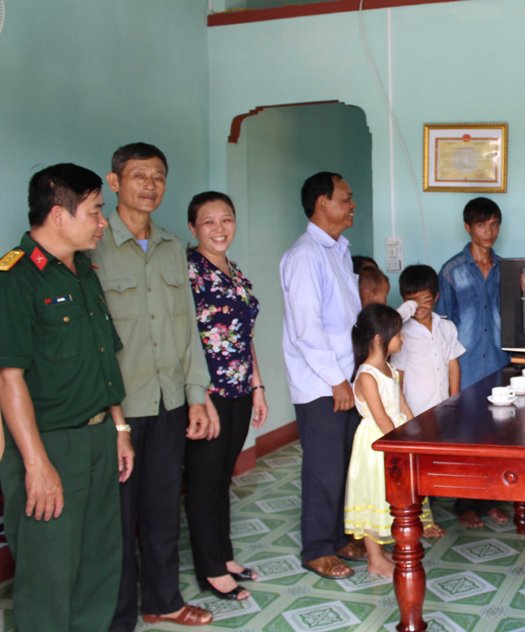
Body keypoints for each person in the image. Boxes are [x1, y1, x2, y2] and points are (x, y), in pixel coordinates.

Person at [0, 163, 133, 631]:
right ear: (59, 215)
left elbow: (104, 357)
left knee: (98, 562)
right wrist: (36, 464)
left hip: (98, 437)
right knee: (49, 573)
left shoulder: (82, 273)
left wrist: (119, 428)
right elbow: (8, 378)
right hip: (49, 444)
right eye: (95, 211)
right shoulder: (15, 277)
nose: (103, 222)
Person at [93, 143, 215, 629]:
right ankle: (118, 615)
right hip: (117, 407)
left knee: (163, 510)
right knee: (117, 518)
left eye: (158, 176)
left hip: (168, 401)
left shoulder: (170, 247)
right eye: (139, 175)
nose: (150, 185)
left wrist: (196, 396)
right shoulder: (93, 245)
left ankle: (163, 600)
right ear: (114, 182)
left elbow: (187, 328)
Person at [280, 171, 366, 579]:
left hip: (345, 378)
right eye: (345, 198)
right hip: (322, 383)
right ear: (322, 203)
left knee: (344, 463)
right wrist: (336, 380)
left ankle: (338, 538)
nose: (352, 205)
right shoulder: (304, 256)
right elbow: (307, 329)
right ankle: (317, 549)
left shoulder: (338, 250)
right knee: (323, 468)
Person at [183, 191, 268, 601]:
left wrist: (257, 386)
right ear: (193, 228)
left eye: (226, 219)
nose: (219, 229)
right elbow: (184, 337)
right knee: (203, 481)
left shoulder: (233, 271)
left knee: (221, 478)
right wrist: (199, 397)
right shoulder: (189, 271)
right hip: (207, 394)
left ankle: (224, 556)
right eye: (209, 222)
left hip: (239, 390)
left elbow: (244, 335)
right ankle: (211, 570)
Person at [344, 304, 443, 576]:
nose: (403, 338)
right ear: (379, 339)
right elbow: (381, 418)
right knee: (375, 494)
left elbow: (402, 406)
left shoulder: (389, 368)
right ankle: (374, 559)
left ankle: (380, 552)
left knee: (392, 495)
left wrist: (416, 433)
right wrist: (398, 446)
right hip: (378, 443)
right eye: (398, 333)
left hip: (395, 436)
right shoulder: (367, 375)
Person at [437, 197, 511, 390]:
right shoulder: (451, 271)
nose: (489, 231)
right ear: (467, 227)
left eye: (494, 224)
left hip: (499, 363)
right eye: (481, 225)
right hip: (463, 367)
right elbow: (441, 325)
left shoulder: (506, 269)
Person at [391, 264, 465, 417]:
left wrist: (454, 399)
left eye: (424, 299)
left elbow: (453, 365)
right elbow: (398, 375)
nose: (418, 307)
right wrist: (403, 413)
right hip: (414, 411)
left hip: (443, 406)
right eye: (412, 302)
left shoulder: (447, 327)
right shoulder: (401, 334)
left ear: (436, 296)